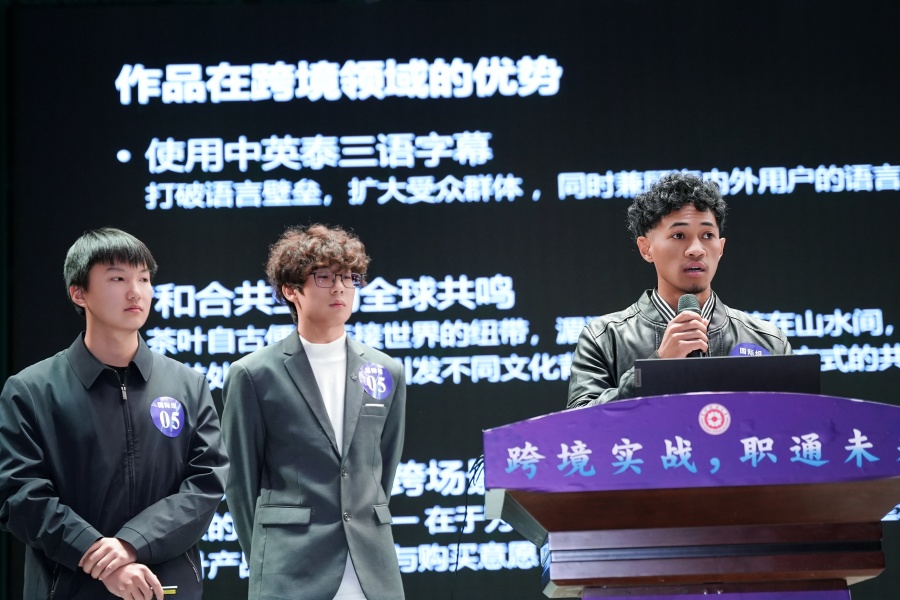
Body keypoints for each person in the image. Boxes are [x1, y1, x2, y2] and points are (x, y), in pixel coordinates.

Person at [0, 228, 229, 599]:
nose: (135, 291)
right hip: (69, 586)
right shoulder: (32, 389)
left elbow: (206, 484)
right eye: (118, 278)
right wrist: (95, 553)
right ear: (79, 293)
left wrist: (131, 544)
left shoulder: (188, 384)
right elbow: (19, 494)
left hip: (164, 586)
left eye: (144, 278)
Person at [222, 224, 406, 600]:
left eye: (348, 277)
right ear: (291, 290)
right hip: (290, 569)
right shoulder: (254, 374)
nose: (340, 288)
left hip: (371, 567)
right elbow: (239, 482)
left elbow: (382, 469)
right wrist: (266, 556)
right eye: (324, 277)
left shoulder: (387, 370)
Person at [567, 172, 792, 408]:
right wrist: (657, 366)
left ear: (721, 247)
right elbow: (579, 424)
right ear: (646, 248)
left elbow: (799, 421)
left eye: (707, 235)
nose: (696, 249)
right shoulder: (605, 338)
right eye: (678, 235)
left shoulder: (768, 340)